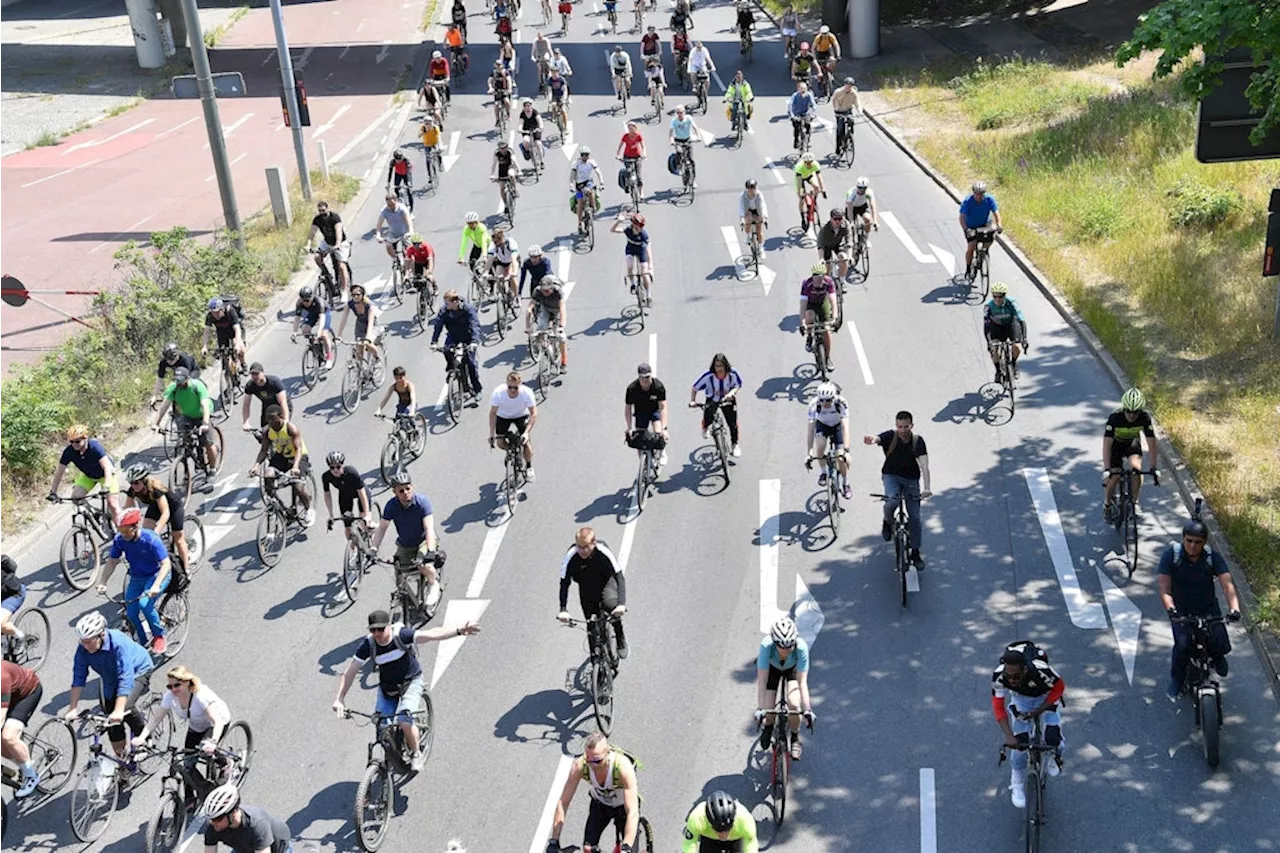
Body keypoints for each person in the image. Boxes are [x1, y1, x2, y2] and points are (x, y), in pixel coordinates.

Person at [333, 609, 480, 771]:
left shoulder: (402, 635)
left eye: (380, 629)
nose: (377, 633)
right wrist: (340, 699)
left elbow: (432, 634)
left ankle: (416, 753)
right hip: (388, 688)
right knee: (382, 726)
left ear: (388, 626)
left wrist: (459, 631)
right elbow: (351, 671)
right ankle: (394, 756)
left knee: (404, 719)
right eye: (372, 630)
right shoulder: (369, 645)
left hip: (411, 682)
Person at [1158, 515, 1242, 699]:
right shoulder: (1171, 556)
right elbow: (1164, 588)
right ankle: (1177, 680)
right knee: (1183, 645)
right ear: (1183, 538)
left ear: (1204, 542)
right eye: (1189, 541)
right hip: (1181, 612)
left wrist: (1234, 609)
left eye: (1198, 542)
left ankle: (1217, 656)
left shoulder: (1212, 558)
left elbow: (1227, 586)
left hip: (1208, 609)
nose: (1193, 546)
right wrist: (1171, 609)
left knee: (1220, 642)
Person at [134, 664, 230, 810]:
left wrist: (213, 742)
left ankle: (225, 762)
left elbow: (217, 721)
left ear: (187, 682)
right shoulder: (170, 697)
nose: (173, 690)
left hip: (215, 724)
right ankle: (191, 796)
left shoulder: (199, 696)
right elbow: (155, 719)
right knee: (186, 762)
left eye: (177, 685)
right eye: (169, 686)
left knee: (206, 751)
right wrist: (142, 737)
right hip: (196, 726)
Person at [66, 612, 154, 760]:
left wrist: (119, 710)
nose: (85, 646)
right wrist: (72, 708)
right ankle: (122, 760)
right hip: (110, 677)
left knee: (124, 708)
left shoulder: (118, 644)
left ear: (102, 635)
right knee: (110, 721)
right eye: (83, 641)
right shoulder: (83, 647)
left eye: (89, 641)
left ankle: (144, 739)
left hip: (138, 671)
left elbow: (126, 678)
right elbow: (79, 677)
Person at [992, 641, 1066, 808]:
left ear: (1025, 669)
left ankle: (1056, 755)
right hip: (1022, 699)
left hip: (1045, 697)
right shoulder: (999, 676)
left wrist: (1041, 709)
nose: (1012, 680)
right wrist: (1009, 735)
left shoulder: (1042, 670)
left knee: (1052, 737)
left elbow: (1059, 688)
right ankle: (1016, 781)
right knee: (1020, 742)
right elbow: (998, 706)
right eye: (1008, 676)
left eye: (1016, 676)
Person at [547, 732, 640, 853]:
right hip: (600, 805)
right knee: (588, 849)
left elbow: (632, 812)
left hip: (623, 808)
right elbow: (563, 803)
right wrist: (554, 840)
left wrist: (627, 847)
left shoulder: (622, 767)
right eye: (588, 759)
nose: (592, 765)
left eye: (597, 761)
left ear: (607, 753)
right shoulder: (580, 766)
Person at [863, 411, 932, 568]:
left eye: (905, 426)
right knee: (892, 500)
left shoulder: (917, 441)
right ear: (896, 425)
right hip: (891, 476)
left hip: (911, 480)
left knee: (915, 517)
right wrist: (872, 440)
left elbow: (925, 466)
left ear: (911, 425)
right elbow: (878, 438)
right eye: (899, 426)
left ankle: (915, 552)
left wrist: (927, 487)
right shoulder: (891, 436)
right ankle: (887, 521)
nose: (902, 430)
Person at [97, 507, 172, 651]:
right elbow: (112, 561)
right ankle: (143, 641)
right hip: (137, 577)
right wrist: (102, 582)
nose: (123, 535)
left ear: (135, 527)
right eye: (120, 531)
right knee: (131, 612)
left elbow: (166, 564)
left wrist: (156, 585)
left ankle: (159, 636)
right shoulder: (120, 540)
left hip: (157, 575)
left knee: (145, 604)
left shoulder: (151, 539)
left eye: (126, 532)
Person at [370, 471, 444, 611]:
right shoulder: (391, 506)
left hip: (424, 541)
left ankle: (434, 584)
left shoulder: (422, 502)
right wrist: (373, 548)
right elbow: (382, 527)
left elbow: (429, 528)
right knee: (399, 573)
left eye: (408, 488)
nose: (405, 493)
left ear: (412, 487)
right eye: (401, 490)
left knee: (423, 565)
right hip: (405, 544)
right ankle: (408, 599)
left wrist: (430, 551)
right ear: (395, 492)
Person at [557, 527, 628, 657]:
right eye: (579, 546)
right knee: (591, 623)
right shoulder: (571, 556)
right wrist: (563, 609)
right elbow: (564, 583)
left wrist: (621, 604)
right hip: (586, 587)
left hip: (606, 582)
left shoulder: (603, 551)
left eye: (585, 547)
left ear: (594, 543)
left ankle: (620, 636)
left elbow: (619, 577)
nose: (582, 551)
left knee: (610, 606)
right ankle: (595, 658)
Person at [756, 616, 814, 759]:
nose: (787, 649)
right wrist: (760, 708)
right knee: (768, 709)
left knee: (794, 705)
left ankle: (795, 738)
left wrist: (807, 709)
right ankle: (768, 726)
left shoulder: (801, 648)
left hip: (791, 670)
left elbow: (802, 683)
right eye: (783, 647)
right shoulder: (766, 646)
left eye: (791, 645)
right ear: (775, 643)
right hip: (772, 669)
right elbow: (762, 680)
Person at [249, 404, 314, 527]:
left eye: (273, 418)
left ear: (281, 416)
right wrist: (255, 466)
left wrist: (295, 466)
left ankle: (308, 508)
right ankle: (280, 508)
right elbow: (263, 450)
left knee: (298, 486)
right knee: (268, 475)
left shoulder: (290, 428)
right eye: (268, 419)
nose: (271, 421)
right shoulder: (267, 431)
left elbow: (298, 449)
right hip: (282, 456)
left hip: (298, 457)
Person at [152, 367, 220, 483]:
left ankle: (212, 469)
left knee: (208, 444)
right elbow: (164, 407)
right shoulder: (173, 388)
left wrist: (204, 424)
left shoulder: (197, 386)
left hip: (202, 414)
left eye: (181, 380)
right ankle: (187, 469)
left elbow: (204, 406)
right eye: (177, 380)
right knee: (183, 442)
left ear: (187, 378)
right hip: (186, 415)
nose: (179, 383)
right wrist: (156, 424)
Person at [124, 464, 192, 578]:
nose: (133, 486)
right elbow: (128, 509)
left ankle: (186, 569)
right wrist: (124, 527)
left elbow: (166, 513)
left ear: (144, 481)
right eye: (131, 483)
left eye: (136, 483)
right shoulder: (132, 490)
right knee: (144, 534)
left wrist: (156, 531)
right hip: (155, 506)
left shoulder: (155, 488)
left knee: (178, 538)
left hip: (173, 507)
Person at [1102, 387, 1158, 521]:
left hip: (1132, 443)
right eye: (1128, 411)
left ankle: (1135, 502)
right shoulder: (1115, 418)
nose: (1132, 415)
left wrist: (1153, 468)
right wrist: (1107, 469)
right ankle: (1107, 504)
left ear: (1140, 410)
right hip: (1116, 445)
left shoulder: (1144, 418)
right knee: (1114, 476)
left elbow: (1152, 444)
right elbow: (1107, 444)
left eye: (1135, 412)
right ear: (1124, 408)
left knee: (1136, 469)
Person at [48, 424, 121, 522]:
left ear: (85, 438)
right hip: (89, 476)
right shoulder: (69, 451)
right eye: (71, 442)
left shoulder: (94, 447)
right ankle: (94, 512)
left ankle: (123, 532)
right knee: (76, 498)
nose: (74, 444)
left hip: (105, 474)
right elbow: (59, 473)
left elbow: (106, 467)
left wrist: (106, 486)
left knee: (113, 505)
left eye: (77, 441)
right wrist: (53, 492)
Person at [200, 784, 294, 853]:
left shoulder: (257, 826)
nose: (213, 823)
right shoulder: (212, 826)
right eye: (211, 819)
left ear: (233, 813)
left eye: (218, 819)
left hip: (276, 849)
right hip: (244, 847)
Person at [0, 659, 42, 797]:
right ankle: (21, 762)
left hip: (27, 693)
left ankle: (31, 775)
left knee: (8, 736)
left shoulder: (2, 676)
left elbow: (1, 715)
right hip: (9, 695)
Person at [430, 290, 483, 399]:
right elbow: (438, 326)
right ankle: (451, 368)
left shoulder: (468, 309)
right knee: (446, 350)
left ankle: (477, 389)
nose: (445, 305)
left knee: (471, 364)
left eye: (447, 303)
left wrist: (474, 341)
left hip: (467, 337)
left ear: (455, 302)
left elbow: (475, 325)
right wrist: (434, 342)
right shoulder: (444, 311)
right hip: (453, 336)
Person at [689, 353, 743, 457]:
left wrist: (731, 393)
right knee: (708, 414)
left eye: (721, 366)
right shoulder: (708, 376)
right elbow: (695, 388)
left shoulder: (732, 374)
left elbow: (738, 385)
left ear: (725, 365)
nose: (719, 369)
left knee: (732, 424)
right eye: (717, 366)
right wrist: (692, 401)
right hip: (713, 399)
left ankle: (735, 444)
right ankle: (705, 427)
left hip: (728, 400)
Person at [490, 370, 539, 481]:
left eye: (515, 388)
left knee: (526, 443)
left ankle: (529, 466)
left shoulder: (527, 393)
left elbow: (534, 413)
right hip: (503, 416)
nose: (512, 390)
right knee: (500, 443)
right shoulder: (498, 393)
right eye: (509, 387)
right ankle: (512, 451)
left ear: (520, 386)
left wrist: (526, 433)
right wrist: (491, 434)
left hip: (521, 415)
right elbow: (492, 413)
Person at [805, 382, 852, 500]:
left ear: (833, 397)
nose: (825, 403)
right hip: (823, 425)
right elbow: (810, 430)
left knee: (841, 458)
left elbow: (845, 427)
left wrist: (846, 450)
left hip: (837, 426)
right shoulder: (813, 404)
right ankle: (823, 472)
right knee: (820, 448)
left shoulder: (841, 402)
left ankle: (846, 483)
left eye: (828, 400)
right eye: (822, 400)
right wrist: (809, 452)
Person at [624, 362, 668, 468]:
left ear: (651, 375)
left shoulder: (658, 386)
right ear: (638, 377)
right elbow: (628, 409)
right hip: (640, 413)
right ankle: (644, 463)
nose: (645, 380)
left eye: (647, 377)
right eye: (642, 377)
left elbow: (663, 407)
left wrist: (664, 428)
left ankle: (662, 451)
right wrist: (629, 427)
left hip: (654, 411)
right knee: (639, 439)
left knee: (658, 433)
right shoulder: (632, 389)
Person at [682, 791, 758, 852]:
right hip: (710, 840)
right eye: (718, 830)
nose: (723, 835)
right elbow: (689, 844)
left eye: (728, 829)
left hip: (735, 840)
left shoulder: (745, 821)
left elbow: (751, 846)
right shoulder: (697, 818)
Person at [322, 450, 373, 538]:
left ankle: (371, 528)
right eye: (332, 467)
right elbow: (327, 495)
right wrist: (331, 515)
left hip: (360, 492)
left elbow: (361, 492)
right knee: (347, 525)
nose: (335, 470)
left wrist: (367, 514)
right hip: (345, 495)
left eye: (338, 467)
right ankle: (352, 550)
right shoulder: (326, 476)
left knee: (363, 519)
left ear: (342, 465)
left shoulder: (351, 472)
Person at [799, 261, 839, 372]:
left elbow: (833, 302)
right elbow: (803, 307)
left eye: (820, 276)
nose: (818, 279)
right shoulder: (806, 284)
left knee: (827, 330)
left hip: (822, 302)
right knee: (810, 316)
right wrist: (802, 323)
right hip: (810, 304)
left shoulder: (829, 282)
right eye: (815, 276)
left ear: (824, 276)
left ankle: (827, 358)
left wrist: (835, 318)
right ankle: (810, 337)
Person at [983, 282, 1027, 380]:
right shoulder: (988, 307)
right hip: (996, 327)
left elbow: (1021, 319)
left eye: (1000, 297)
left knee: (1017, 347)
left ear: (1005, 295)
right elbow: (986, 326)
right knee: (995, 350)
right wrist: (989, 342)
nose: (997, 299)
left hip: (1010, 325)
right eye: (995, 296)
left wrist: (1024, 338)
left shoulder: (1012, 303)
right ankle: (998, 371)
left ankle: (1014, 366)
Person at [334, 281, 381, 370]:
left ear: (362, 295)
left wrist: (367, 337)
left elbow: (371, 321)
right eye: (353, 295)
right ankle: (360, 372)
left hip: (373, 325)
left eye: (357, 294)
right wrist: (339, 335)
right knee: (358, 348)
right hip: (360, 324)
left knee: (368, 344)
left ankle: (377, 359)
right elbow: (343, 319)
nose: (355, 297)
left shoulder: (369, 305)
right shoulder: (350, 304)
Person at [308, 199, 351, 295]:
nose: (321, 213)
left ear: (327, 209)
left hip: (340, 243)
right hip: (327, 242)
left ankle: (344, 291)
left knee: (341, 266)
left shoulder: (334, 217)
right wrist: (307, 245)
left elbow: (338, 231)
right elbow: (312, 233)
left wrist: (338, 244)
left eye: (323, 210)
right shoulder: (317, 219)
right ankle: (327, 275)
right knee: (317, 257)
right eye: (320, 211)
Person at [526, 274, 568, 371]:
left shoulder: (558, 291)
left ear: (552, 288)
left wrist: (562, 325)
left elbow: (562, 308)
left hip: (557, 309)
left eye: (548, 290)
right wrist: (528, 327)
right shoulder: (537, 291)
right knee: (541, 327)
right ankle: (544, 344)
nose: (545, 292)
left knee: (561, 337)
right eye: (543, 290)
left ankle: (564, 362)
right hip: (545, 308)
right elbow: (529, 308)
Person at [960, 180, 1002, 275]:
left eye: (981, 194)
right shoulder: (968, 201)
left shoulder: (989, 199)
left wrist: (999, 224)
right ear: (974, 193)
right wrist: (966, 229)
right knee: (971, 247)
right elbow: (962, 218)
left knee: (992, 236)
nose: (979, 196)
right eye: (977, 194)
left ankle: (983, 252)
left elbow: (996, 213)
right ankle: (968, 267)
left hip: (985, 224)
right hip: (971, 226)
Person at [611, 212, 653, 304]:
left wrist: (650, 267)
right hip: (630, 249)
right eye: (639, 226)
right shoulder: (628, 230)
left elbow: (648, 252)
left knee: (644, 272)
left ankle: (648, 295)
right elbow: (613, 230)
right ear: (634, 225)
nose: (641, 228)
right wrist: (618, 221)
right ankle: (633, 284)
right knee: (629, 266)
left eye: (642, 226)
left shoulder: (644, 234)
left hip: (641, 250)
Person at [201, 296, 246, 376]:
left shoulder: (230, 311)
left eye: (217, 312)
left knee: (239, 348)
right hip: (222, 333)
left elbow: (237, 329)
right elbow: (206, 332)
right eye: (213, 313)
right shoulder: (210, 316)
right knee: (222, 351)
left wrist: (237, 344)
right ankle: (228, 372)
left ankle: (243, 364)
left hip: (234, 331)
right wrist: (204, 346)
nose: (215, 315)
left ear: (222, 309)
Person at [241, 362, 289, 432]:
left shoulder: (274, 382)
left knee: (279, 428)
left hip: (280, 406)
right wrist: (246, 422)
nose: (254, 377)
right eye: (252, 374)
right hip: (267, 406)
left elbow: (283, 402)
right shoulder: (250, 385)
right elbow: (246, 404)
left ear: (263, 373)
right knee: (264, 431)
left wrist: (286, 421)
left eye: (257, 374)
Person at [291, 285, 334, 364]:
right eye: (303, 300)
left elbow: (322, 317)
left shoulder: (318, 301)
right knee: (305, 330)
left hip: (324, 313)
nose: (305, 303)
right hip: (312, 313)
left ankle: (329, 357)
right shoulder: (299, 302)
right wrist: (294, 332)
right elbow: (297, 318)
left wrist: (319, 330)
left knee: (323, 334)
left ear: (312, 297)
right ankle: (315, 345)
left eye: (307, 300)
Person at [152, 341, 200, 405]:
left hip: (192, 371)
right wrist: (154, 396)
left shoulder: (185, 359)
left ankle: (196, 400)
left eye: (171, 359)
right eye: (167, 359)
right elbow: (160, 379)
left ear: (177, 355)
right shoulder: (164, 362)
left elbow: (188, 378)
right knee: (176, 389)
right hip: (179, 372)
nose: (169, 362)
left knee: (187, 387)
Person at [487, 225, 522, 307]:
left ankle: (517, 296)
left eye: (496, 242)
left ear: (501, 239)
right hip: (501, 262)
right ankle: (504, 296)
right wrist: (485, 273)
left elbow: (514, 259)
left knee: (511, 277)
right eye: (494, 242)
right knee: (498, 279)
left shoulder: (510, 242)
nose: (495, 244)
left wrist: (515, 272)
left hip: (512, 261)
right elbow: (490, 260)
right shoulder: (493, 245)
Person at [375, 191, 415, 261]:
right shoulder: (384, 210)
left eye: (392, 204)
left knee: (409, 251)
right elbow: (379, 225)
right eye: (389, 205)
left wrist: (410, 232)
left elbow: (409, 222)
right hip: (393, 233)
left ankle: (409, 268)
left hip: (404, 233)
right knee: (388, 246)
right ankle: (396, 259)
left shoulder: (402, 208)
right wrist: (378, 235)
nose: (391, 207)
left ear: (396, 201)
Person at [570, 148, 604, 228]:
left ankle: (594, 208)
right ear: (580, 155)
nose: (584, 157)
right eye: (583, 155)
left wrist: (601, 182)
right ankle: (579, 223)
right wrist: (571, 184)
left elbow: (598, 172)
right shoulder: (576, 163)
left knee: (590, 192)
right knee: (580, 202)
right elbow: (572, 175)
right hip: (579, 184)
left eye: (586, 155)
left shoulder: (592, 162)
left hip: (588, 182)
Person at [815, 207, 852, 282]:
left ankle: (842, 281)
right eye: (835, 219)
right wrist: (821, 259)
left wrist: (850, 256)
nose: (838, 221)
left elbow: (849, 241)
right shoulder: (825, 230)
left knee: (844, 258)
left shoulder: (845, 225)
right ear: (831, 219)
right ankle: (828, 284)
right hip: (826, 246)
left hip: (838, 244)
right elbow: (820, 245)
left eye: (840, 219)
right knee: (827, 268)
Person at [0, 554, 27, 647]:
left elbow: (13, 566)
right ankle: (3, 639)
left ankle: (20, 636)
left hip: (14, 594)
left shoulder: (2, 560)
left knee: (0, 622)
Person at [792, 149, 823, 228]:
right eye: (806, 163)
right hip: (800, 178)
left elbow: (819, 177)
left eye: (810, 162)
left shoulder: (816, 164)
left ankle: (814, 202)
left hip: (809, 176)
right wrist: (801, 193)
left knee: (817, 187)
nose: (809, 164)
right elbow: (799, 183)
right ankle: (803, 218)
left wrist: (823, 189)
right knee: (801, 199)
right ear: (803, 162)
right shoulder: (799, 167)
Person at [843, 175, 878, 241]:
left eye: (864, 188)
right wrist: (851, 222)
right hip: (852, 208)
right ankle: (849, 242)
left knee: (868, 219)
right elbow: (850, 209)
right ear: (857, 187)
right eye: (860, 188)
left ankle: (865, 238)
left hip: (862, 206)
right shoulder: (851, 193)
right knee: (849, 227)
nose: (862, 190)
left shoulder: (869, 192)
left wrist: (875, 220)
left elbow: (873, 206)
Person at [831, 78, 862, 150]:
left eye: (850, 86)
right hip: (839, 111)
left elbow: (858, 103)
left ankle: (850, 138)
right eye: (847, 85)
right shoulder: (838, 92)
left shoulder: (854, 93)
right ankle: (838, 147)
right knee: (839, 129)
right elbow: (834, 100)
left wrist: (859, 111)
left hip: (848, 110)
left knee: (851, 122)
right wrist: (836, 108)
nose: (848, 87)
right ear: (844, 85)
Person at [787, 81, 818, 153]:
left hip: (805, 113)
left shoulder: (809, 95)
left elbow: (813, 105)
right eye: (802, 88)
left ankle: (807, 140)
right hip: (797, 114)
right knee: (797, 127)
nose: (803, 90)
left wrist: (813, 113)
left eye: (805, 88)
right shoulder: (794, 96)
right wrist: (792, 115)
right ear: (798, 89)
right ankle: (796, 140)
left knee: (808, 125)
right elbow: (790, 105)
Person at [616, 121, 645, 197]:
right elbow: (620, 146)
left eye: (632, 128)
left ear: (635, 129)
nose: (631, 130)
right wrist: (618, 155)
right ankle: (628, 185)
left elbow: (643, 146)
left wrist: (644, 154)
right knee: (629, 171)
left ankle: (641, 192)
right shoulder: (625, 136)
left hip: (637, 157)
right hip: (627, 157)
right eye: (629, 129)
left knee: (639, 175)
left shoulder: (638, 136)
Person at [492, 140, 519, 215]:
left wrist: (519, 170)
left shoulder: (510, 152)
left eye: (504, 148)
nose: (502, 150)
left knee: (511, 175)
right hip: (502, 171)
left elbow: (515, 160)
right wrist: (492, 174)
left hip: (510, 167)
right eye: (501, 148)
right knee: (502, 188)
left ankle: (515, 190)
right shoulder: (497, 153)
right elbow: (494, 164)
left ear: (507, 147)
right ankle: (506, 205)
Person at [739, 179, 768, 248]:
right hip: (748, 210)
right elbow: (741, 207)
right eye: (749, 189)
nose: (751, 191)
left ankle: (761, 249)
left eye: (753, 188)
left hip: (757, 210)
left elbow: (763, 205)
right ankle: (748, 236)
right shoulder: (743, 195)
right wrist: (742, 218)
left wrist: (764, 217)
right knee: (748, 221)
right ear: (747, 189)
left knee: (759, 231)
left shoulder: (759, 194)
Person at [518, 99, 544, 170]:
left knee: (538, 144)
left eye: (528, 106)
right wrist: (520, 129)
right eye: (525, 106)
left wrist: (541, 127)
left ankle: (541, 162)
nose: (527, 107)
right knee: (526, 141)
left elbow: (539, 120)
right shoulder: (522, 114)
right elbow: (521, 123)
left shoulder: (535, 112)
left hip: (535, 130)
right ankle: (528, 152)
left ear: (531, 106)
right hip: (526, 131)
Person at [488, 60, 514, 126]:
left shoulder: (505, 72)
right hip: (497, 90)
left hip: (505, 90)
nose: (498, 66)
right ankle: (497, 120)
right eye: (497, 65)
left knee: (506, 101)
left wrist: (509, 89)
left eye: (499, 65)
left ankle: (508, 114)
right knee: (496, 105)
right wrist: (490, 88)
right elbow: (489, 80)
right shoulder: (494, 73)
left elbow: (509, 80)